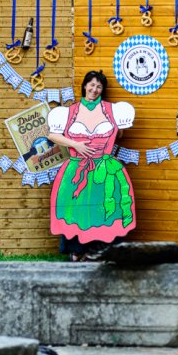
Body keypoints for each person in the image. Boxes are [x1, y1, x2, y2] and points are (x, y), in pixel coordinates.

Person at [47, 70, 136, 261]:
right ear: (85, 86)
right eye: (91, 85)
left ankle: (98, 251)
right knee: (76, 210)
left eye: (98, 86)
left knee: (102, 208)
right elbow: (52, 135)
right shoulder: (69, 111)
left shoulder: (113, 110)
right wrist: (75, 144)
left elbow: (119, 134)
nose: (94, 89)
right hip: (76, 168)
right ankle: (76, 251)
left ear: (102, 90)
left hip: (103, 168)